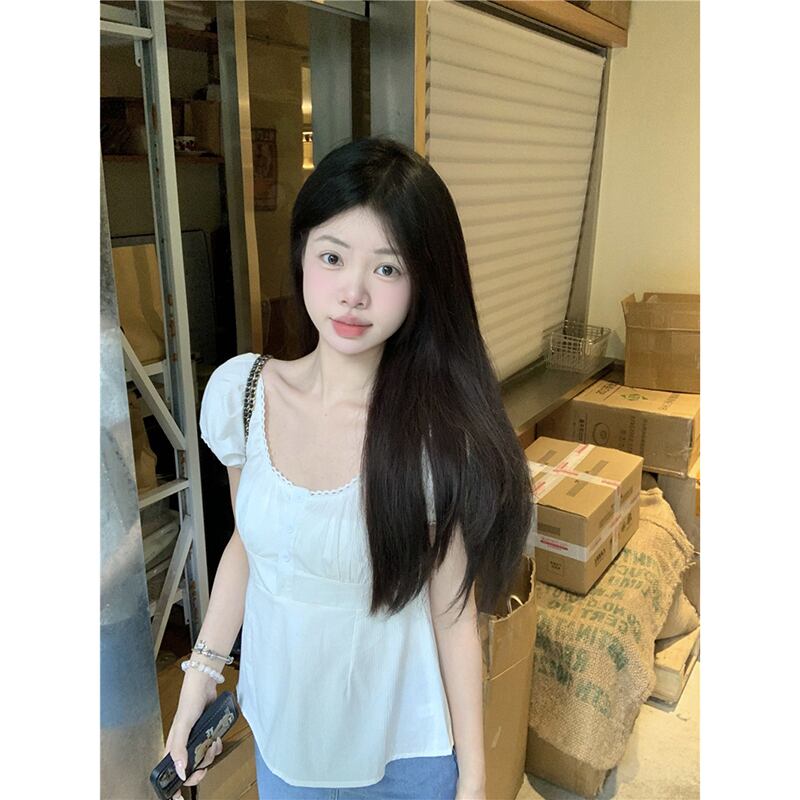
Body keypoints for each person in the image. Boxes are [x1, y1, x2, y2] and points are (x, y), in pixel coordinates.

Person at [162, 136, 534, 800]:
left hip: (404, 755)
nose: (353, 293)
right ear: (302, 254)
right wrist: (200, 677)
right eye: (332, 257)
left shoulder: (433, 433)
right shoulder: (243, 396)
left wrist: (474, 779)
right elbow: (250, 543)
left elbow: (452, 616)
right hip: (284, 743)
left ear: (421, 283)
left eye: (387, 269)